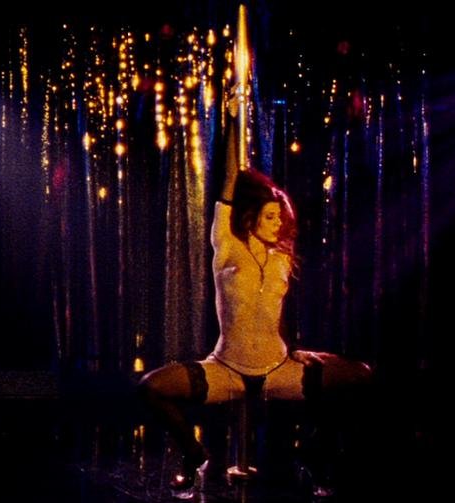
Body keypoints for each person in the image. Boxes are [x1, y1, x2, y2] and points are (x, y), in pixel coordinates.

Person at [139, 88, 372, 497]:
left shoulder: (281, 257)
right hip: (227, 369)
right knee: (151, 387)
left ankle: (315, 452)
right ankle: (194, 454)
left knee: (361, 377)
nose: (278, 224)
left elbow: (278, 311)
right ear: (250, 217)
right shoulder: (229, 247)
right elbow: (229, 184)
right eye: (270, 217)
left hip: (277, 369)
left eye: (280, 217)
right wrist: (232, 121)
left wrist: (298, 350)